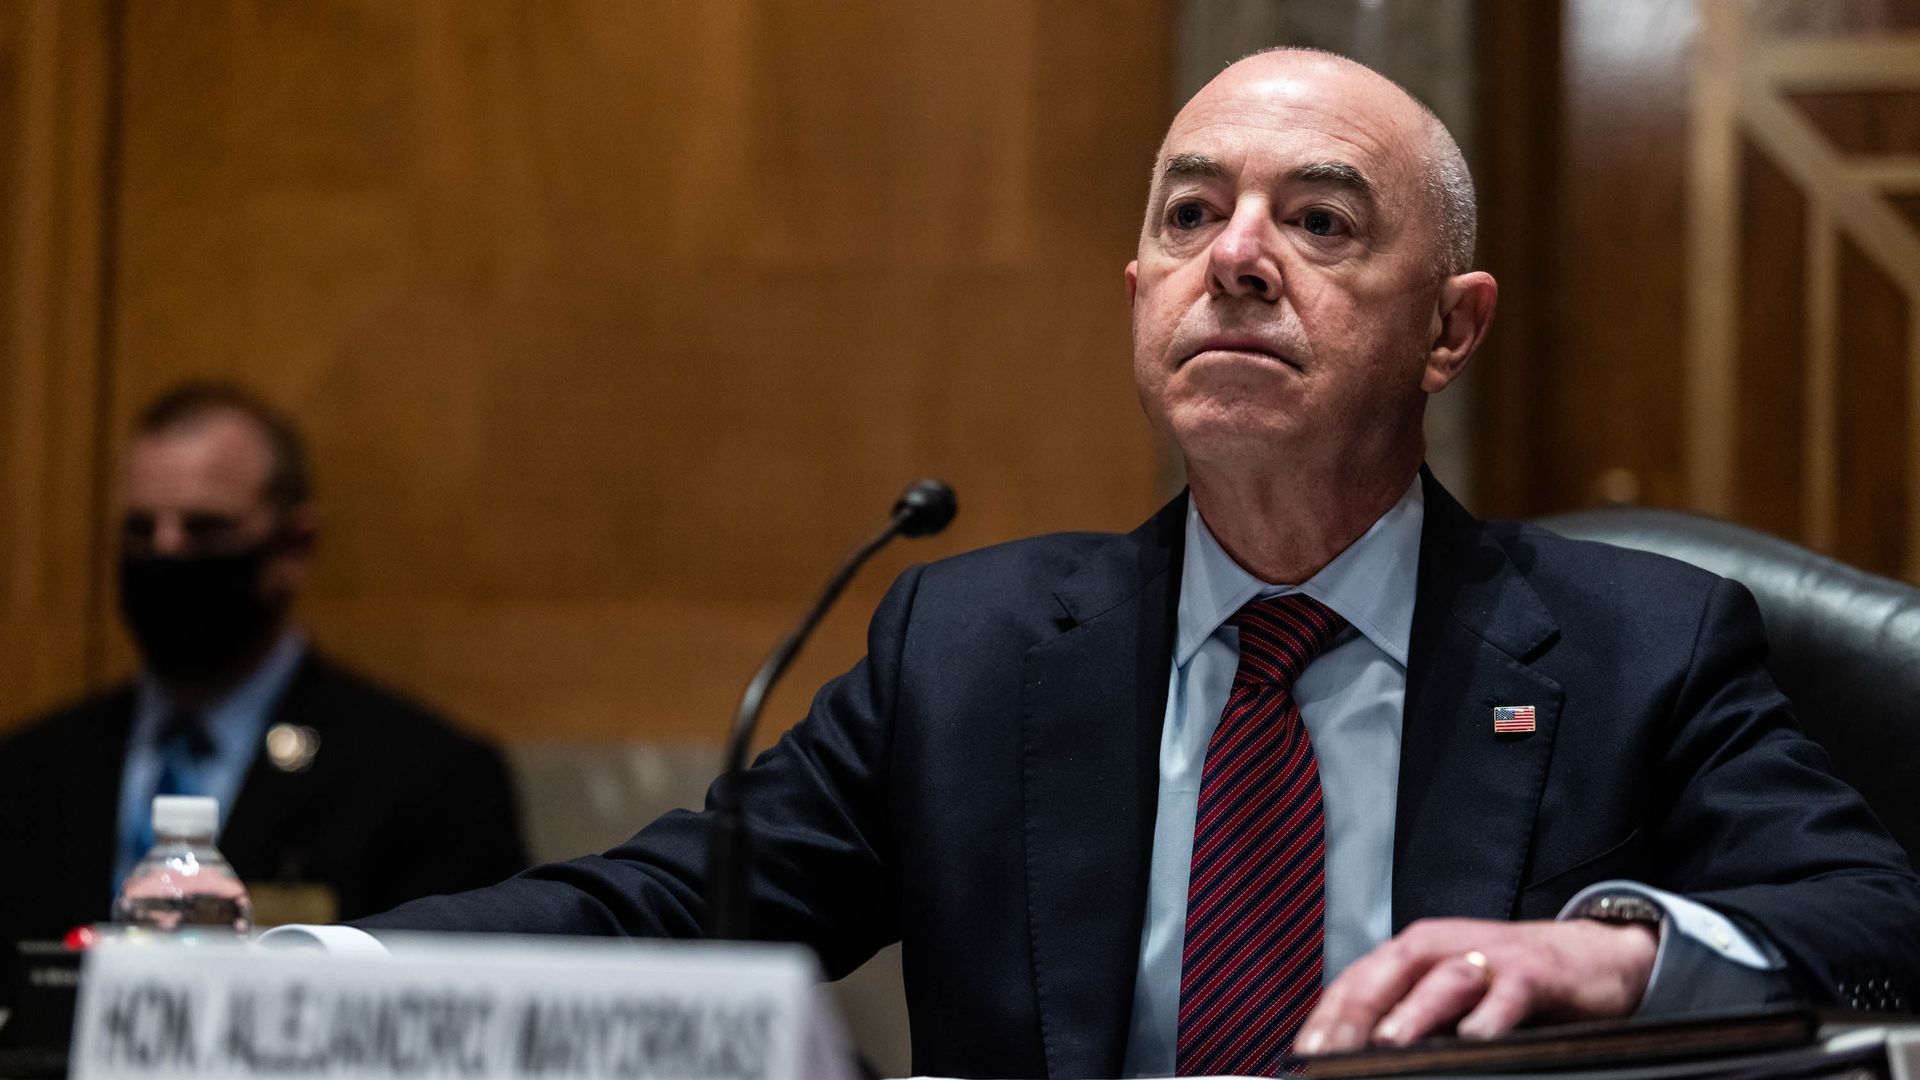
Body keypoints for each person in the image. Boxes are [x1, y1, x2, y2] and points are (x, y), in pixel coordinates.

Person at [298, 49, 1919, 1078]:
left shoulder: (1642, 643)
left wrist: (1610, 949)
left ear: (1452, 327)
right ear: (1136, 287)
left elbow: (1874, 915)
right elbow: (675, 905)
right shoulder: (976, 644)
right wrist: (317, 977)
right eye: (1193, 210)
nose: (1236, 257)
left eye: (1323, 222)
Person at [0, 382, 528, 942]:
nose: (166, 553)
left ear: (294, 548)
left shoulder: (427, 783)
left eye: (205, 529)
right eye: (141, 530)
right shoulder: (28, 771)